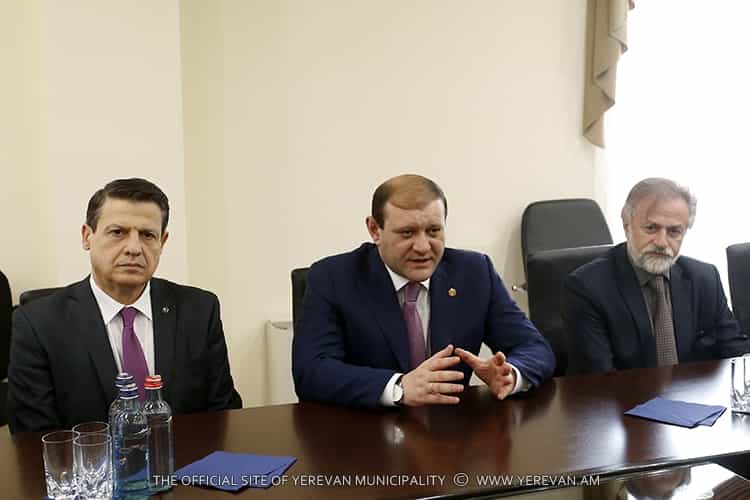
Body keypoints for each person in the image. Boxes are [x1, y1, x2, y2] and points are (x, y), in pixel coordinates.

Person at [292, 174, 555, 408]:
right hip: (363, 433)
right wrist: (399, 387)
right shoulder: (332, 278)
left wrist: (510, 374)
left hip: (451, 434)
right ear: (374, 229)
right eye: (407, 233)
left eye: (433, 231)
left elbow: (534, 348)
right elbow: (312, 371)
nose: (423, 247)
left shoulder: (474, 272)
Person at [8, 178, 242, 433]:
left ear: (162, 242)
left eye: (147, 235)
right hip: (90, 460)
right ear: (87, 236)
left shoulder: (199, 310)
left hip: (188, 458)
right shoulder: (38, 324)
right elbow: (33, 436)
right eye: (118, 232)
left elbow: (224, 414)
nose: (134, 248)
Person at [562, 177, 749, 374]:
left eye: (674, 231)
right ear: (627, 226)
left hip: (696, 393)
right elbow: (598, 378)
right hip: (622, 393)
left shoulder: (704, 278)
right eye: (651, 228)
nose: (661, 242)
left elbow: (735, 353)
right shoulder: (587, 288)